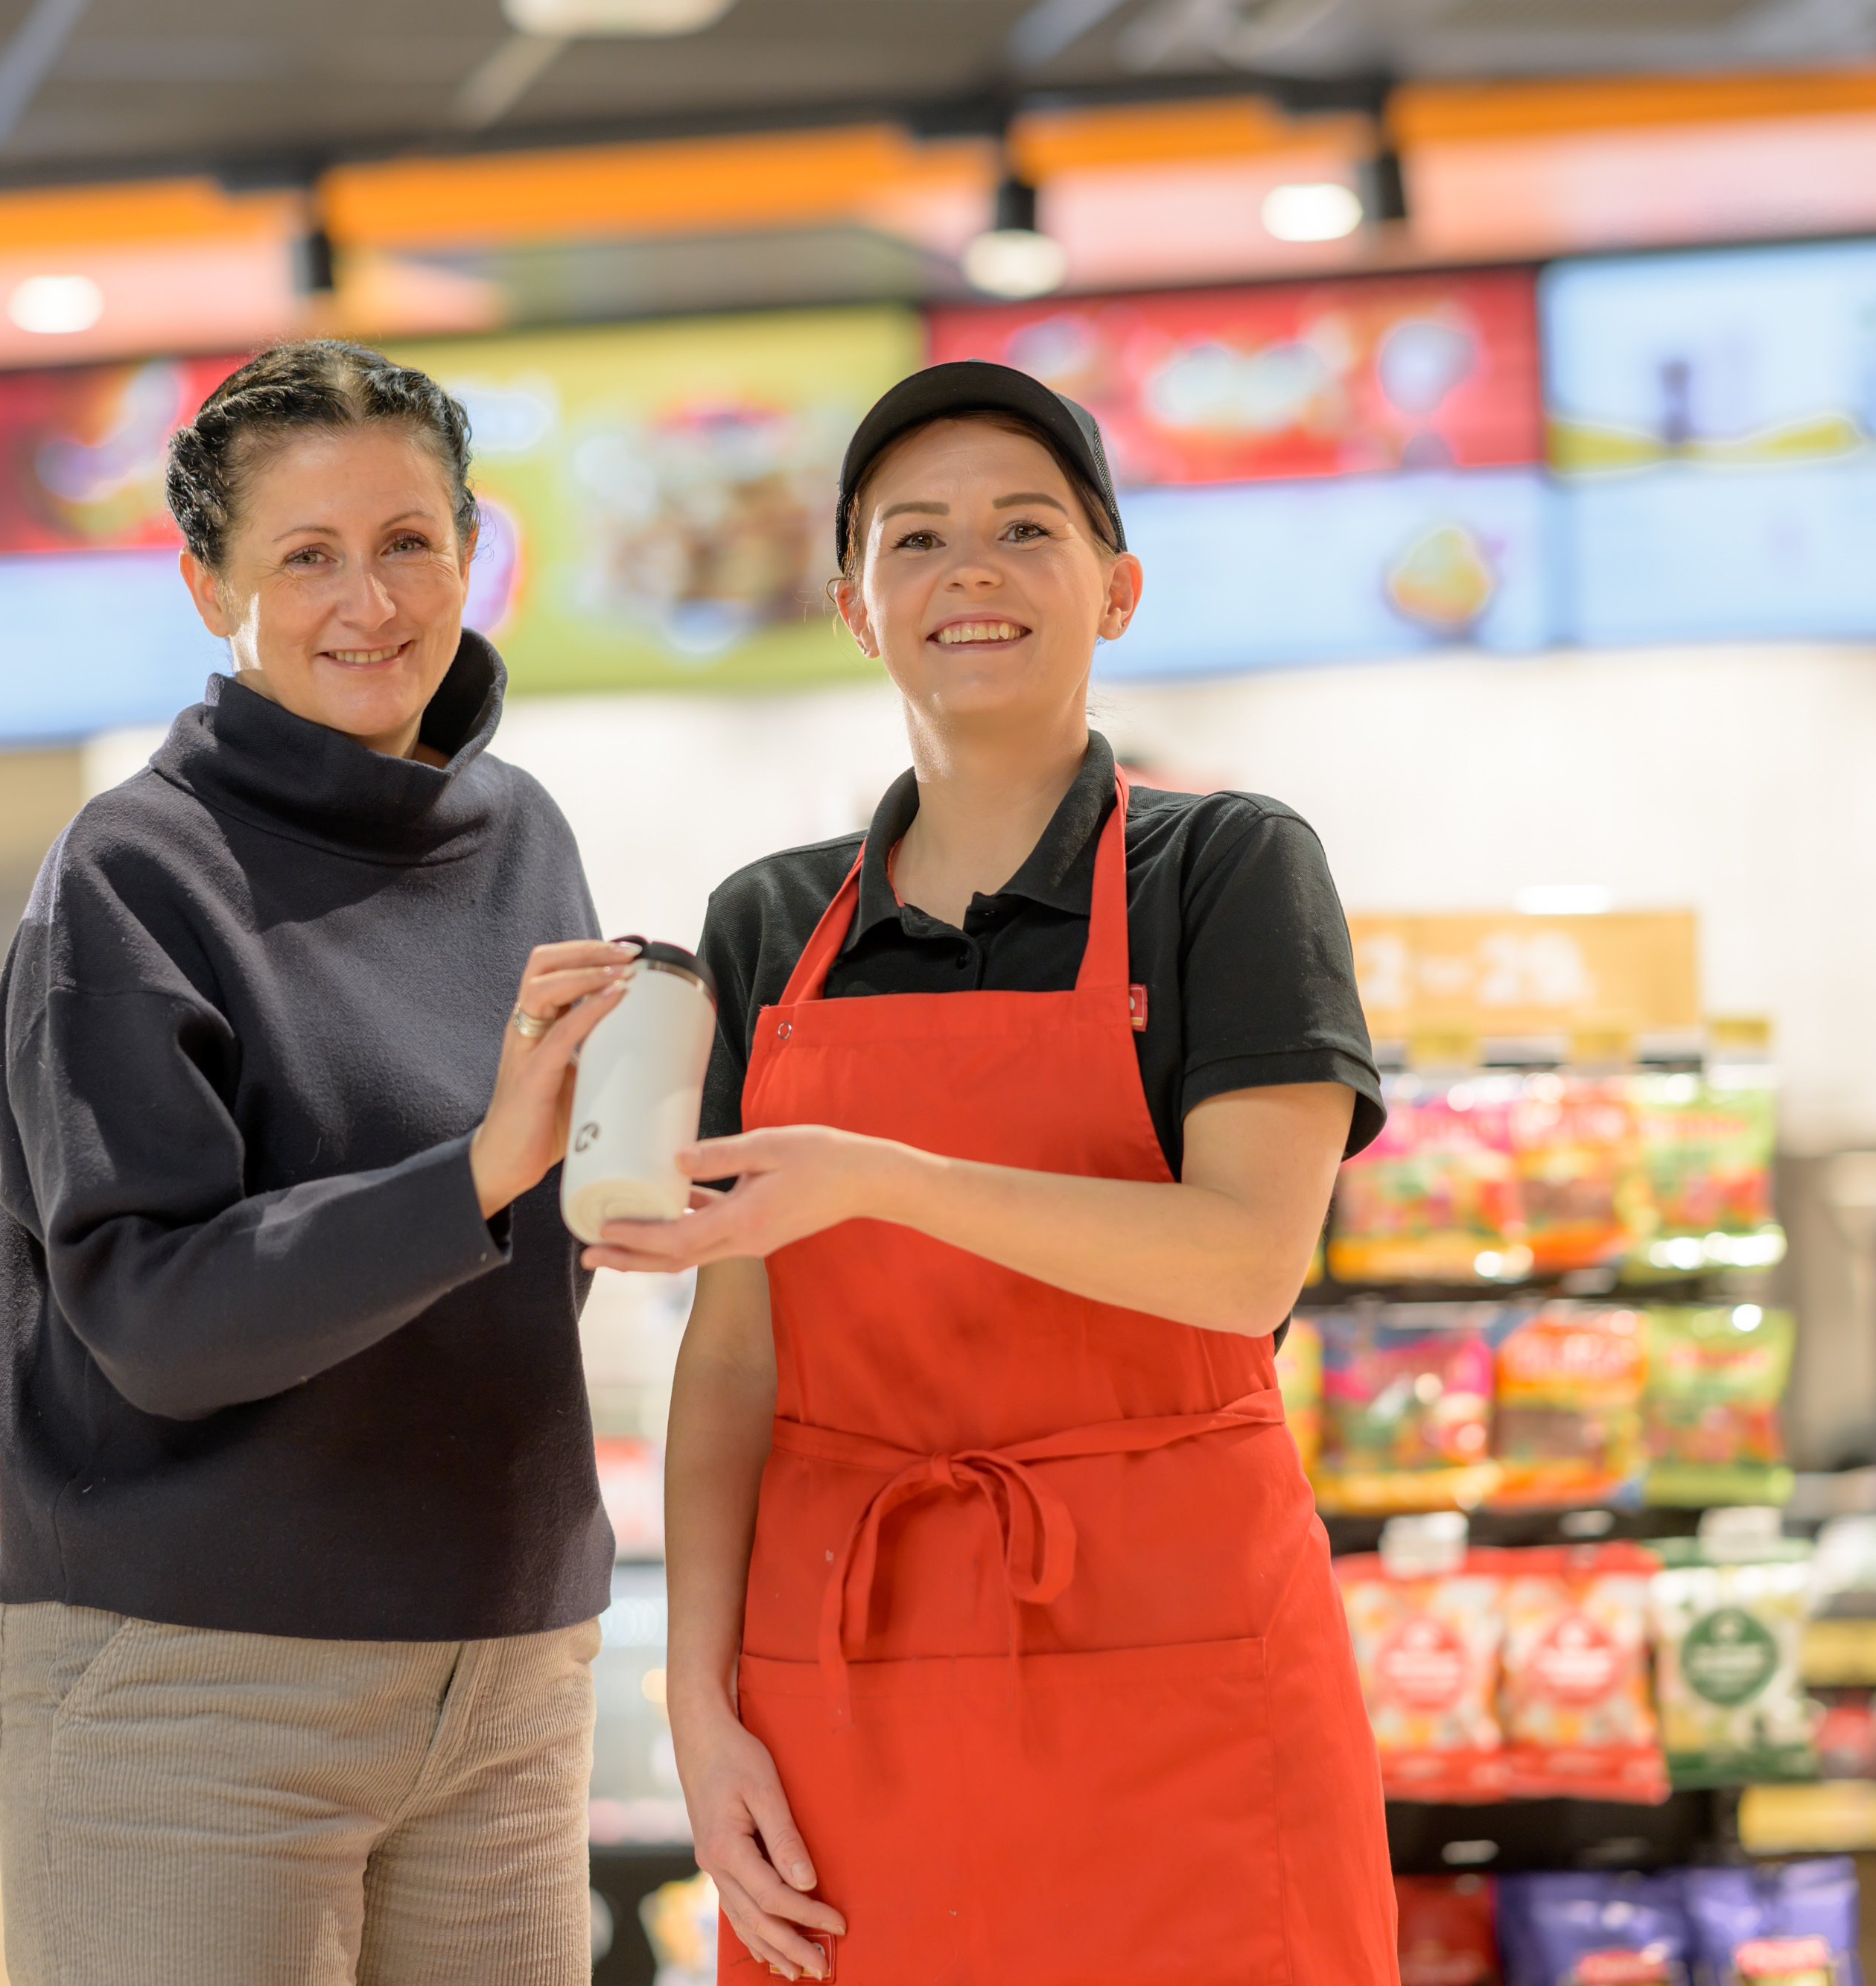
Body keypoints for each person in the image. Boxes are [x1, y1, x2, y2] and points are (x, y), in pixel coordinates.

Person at [594, 361, 1399, 1982]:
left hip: (1182, 1665)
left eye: (1026, 528)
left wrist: (882, 1177)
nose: (970, 570)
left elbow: (1245, 1260)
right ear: (852, 605)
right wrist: (699, 1704)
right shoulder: (766, 923)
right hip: (845, 1666)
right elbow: (735, 1356)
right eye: (916, 538)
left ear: (1117, 588)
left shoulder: (1228, 867)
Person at [0, 339, 633, 1986]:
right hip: (198, 1681)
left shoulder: (525, 834)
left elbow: (519, 1228)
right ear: (210, 586)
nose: (372, 601)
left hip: (506, 1663)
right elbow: (153, 1315)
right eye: (307, 556)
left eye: (410, 541)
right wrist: (479, 1173)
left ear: (471, 550)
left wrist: (623, 1179)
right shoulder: (135, 872)